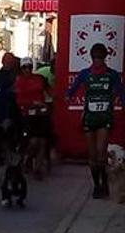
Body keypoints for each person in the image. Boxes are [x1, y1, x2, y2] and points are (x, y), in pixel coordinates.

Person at [66, 43, 125, 198]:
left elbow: (121, 91)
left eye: (100, 58)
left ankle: (104, 182)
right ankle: (96, 184)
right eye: (95, 58)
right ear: (91, 58)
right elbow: (71, 90)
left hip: (104, 117)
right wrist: (67, 96)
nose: (98, 61)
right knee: (92, 154)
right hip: (89, 117)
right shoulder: (85, 74)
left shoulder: (112, 74)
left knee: (101, 152)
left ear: (105, 58)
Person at [14, 57, 52, 179]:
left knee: (42, 141)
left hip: (41, 113)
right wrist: (33, 103)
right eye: (24, 67)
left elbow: (50, 91)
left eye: (29, 67)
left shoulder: (39, 79)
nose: (27, 70)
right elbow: (18, 100)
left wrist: (50, 101)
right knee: (33, 141)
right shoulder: (19, 81)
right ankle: (28, 158)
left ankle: (38, 168)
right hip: (27, 114)